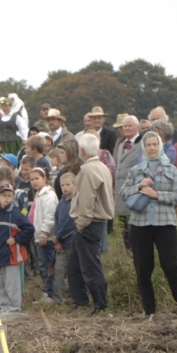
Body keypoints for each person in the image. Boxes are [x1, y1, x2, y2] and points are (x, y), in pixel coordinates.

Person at [119, 131, 177, 320]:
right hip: (140, 224)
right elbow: (123, 193)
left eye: (155, 144)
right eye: (148, 145)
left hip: (165, 223)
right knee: (143, 268)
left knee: (171, 266)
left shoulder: (171, 169)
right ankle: (149, 311)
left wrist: (157, 195)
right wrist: (139, 186)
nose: (152, 148)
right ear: (144, 147)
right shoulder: (136, 170)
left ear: (160, 146)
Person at [68, 134, 113, 315]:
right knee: (76, 264)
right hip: (96, 221)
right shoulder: (102, 167)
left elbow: (87, 200)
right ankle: (81, 300)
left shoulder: (87, 170)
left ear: (82, 151)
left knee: (90, 265)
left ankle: (100, 304)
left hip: (89, 222)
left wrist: (81, 223)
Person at [0, 184, 34, 313]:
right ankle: (4, 307)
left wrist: (16, 239)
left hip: (11, 254)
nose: (6, 198)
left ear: (12, 198)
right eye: (4, 195)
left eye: (9, 196)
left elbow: (29, 229)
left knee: (12, 284)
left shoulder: (15, 213)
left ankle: (14, 309)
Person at [29, 167, 58, 301]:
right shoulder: (39, 194)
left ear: (44, 178)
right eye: (32, 179)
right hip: (37, 235)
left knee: (47, 264)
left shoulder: (48, 196)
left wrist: (44, 233)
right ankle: (46, 291)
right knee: (41, 264)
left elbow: (50, 217)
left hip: (45, 237)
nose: (34, 182)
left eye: (37, 178)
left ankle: (50, 293)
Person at [114, 116, 143, 242]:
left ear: (137, 127)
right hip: (120, 192)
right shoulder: (121, 144)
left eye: (129, 125)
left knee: (133, 229)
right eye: (125, 126)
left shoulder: (141, 145)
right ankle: (128, 254)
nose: (126, 128)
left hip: (133, 192)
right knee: (123, 228)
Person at [51, 173, 77, 305]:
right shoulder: (61, 201)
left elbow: (70, 223)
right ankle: (58, 298)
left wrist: (58, 236)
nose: (65, 187)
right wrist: (58, 239)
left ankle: (75, 297)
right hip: (61, 242)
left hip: (72, 242)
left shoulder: (75, 201)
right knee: (59, 271)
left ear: (74, 185)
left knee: (73, 272)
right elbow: (57, 220)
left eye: (68, 184)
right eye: (62, 185)